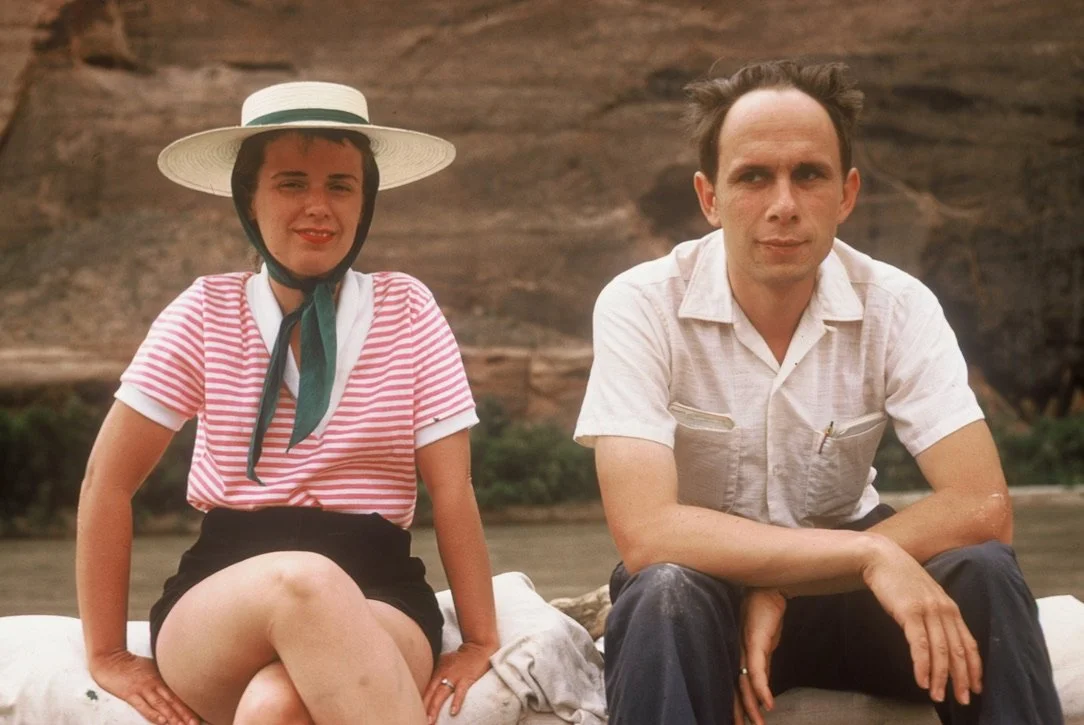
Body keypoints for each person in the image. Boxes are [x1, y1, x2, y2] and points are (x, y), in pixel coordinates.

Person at [574, 60, 1063, 725]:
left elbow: (983, 504)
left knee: (985, 572)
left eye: (809, 174)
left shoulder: (895, 305)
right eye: (753, 176)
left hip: (850, 604)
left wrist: (780, 580)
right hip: (705, 603)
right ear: (709, 196)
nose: (783, 204)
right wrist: (867, 551)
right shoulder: (641, 304)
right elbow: (647, 530)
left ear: (847, 193)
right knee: (663, 589)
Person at [76, 81, 499, 725]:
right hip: (221, 597)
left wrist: (478, 641)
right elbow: (107, 480)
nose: (317, 207)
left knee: (277, 707)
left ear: (367, 201)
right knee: (305, 579)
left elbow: (454, 491)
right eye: (291, 183)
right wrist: (107, 651)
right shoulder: (204, 311)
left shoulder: (408, 309)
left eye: (340, 185)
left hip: (381, 591)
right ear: (249, 199)